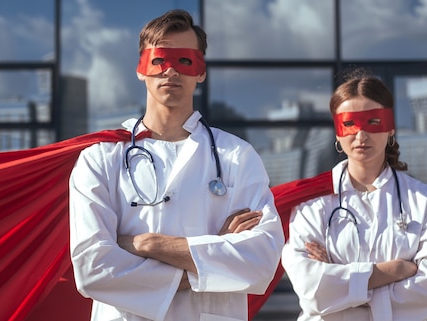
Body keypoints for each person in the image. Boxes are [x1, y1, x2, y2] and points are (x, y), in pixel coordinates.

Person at [68, 9, 284, 321]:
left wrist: (146, 244)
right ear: (141, 70)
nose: (170, 72)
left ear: (201, 72)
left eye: (185, 60)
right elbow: (92, 268)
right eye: (159, 60)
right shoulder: (100, 158)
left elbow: (260, 261)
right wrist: (210, 262)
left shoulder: (237, 156)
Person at [281, 70, 427, 321]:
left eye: (373, 122)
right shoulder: (311, 204)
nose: (361, 135)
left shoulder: (425, 200)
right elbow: (312, 290)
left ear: (390, 127)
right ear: (338, 132)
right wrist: (392, 270)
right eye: (349, 123)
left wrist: (340, 282)